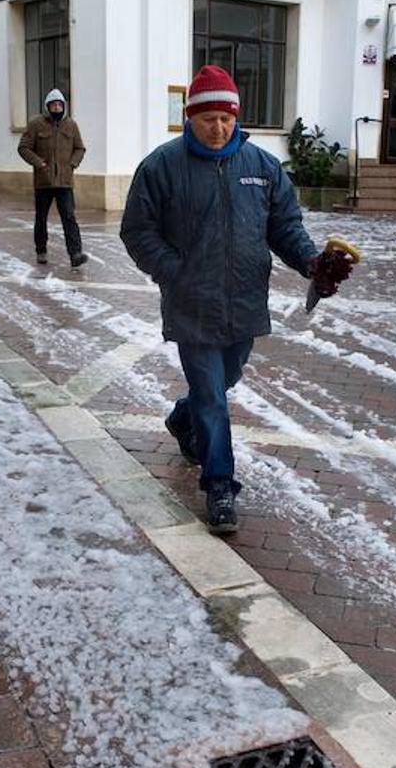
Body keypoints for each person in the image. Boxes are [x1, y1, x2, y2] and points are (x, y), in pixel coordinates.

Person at [120, 65, 352, 534]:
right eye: (208, 119)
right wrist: (173, 271)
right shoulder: (161, 166)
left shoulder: (263, 168)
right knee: (212, 396)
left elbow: (284, 227)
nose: (218, 128)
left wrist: (311, 263)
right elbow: (137, 231)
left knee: (224, 380)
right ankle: (220, 483)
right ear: (191, 117)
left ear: (236, 117)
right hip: (192, 303)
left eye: (226, 119)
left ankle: (182, 420)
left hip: (246, 301)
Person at [18, 88, 88, 267]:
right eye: (53, 105)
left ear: (64, 106)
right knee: (41, 218)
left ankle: (75, 254)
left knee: (69, 218)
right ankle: (41, 250)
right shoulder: (36, 124)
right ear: (47, 107)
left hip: (64, 182)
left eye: (59, 104)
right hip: (43, 182)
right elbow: (24, 147)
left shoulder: (71, 125)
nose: (56, 107)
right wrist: (38, 163)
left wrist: (73, 163)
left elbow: (80, 148)